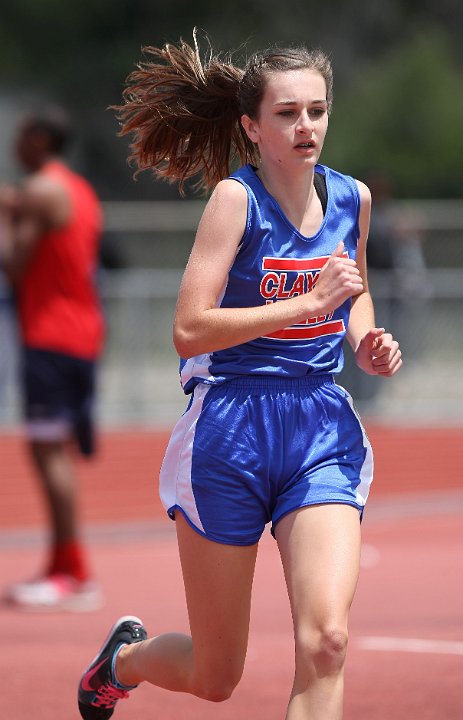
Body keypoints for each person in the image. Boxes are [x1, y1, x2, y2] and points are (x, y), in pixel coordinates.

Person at [77, 31, 402, 719]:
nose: (305, 126)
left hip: (320, 426)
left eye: (316, 110)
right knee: (216, 673)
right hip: (230, 431)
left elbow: (354, 289)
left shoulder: (352, 199)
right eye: (286, 113)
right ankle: (125, 661)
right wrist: (305, 303)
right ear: (252, 126)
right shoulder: (235, 201)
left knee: (327, 642)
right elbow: (189, 328)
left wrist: (364, 336)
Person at [0, 106, 105, 611]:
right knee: (55, 449)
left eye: (21, 135)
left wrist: (4, 217)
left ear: (39, 139)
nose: (15, 145)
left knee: (49, 452)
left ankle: (73, 571)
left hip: (50, 334)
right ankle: (65, 566)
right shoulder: (78, 189)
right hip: (81, 332)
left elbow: (14, 266)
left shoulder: (40, 191)